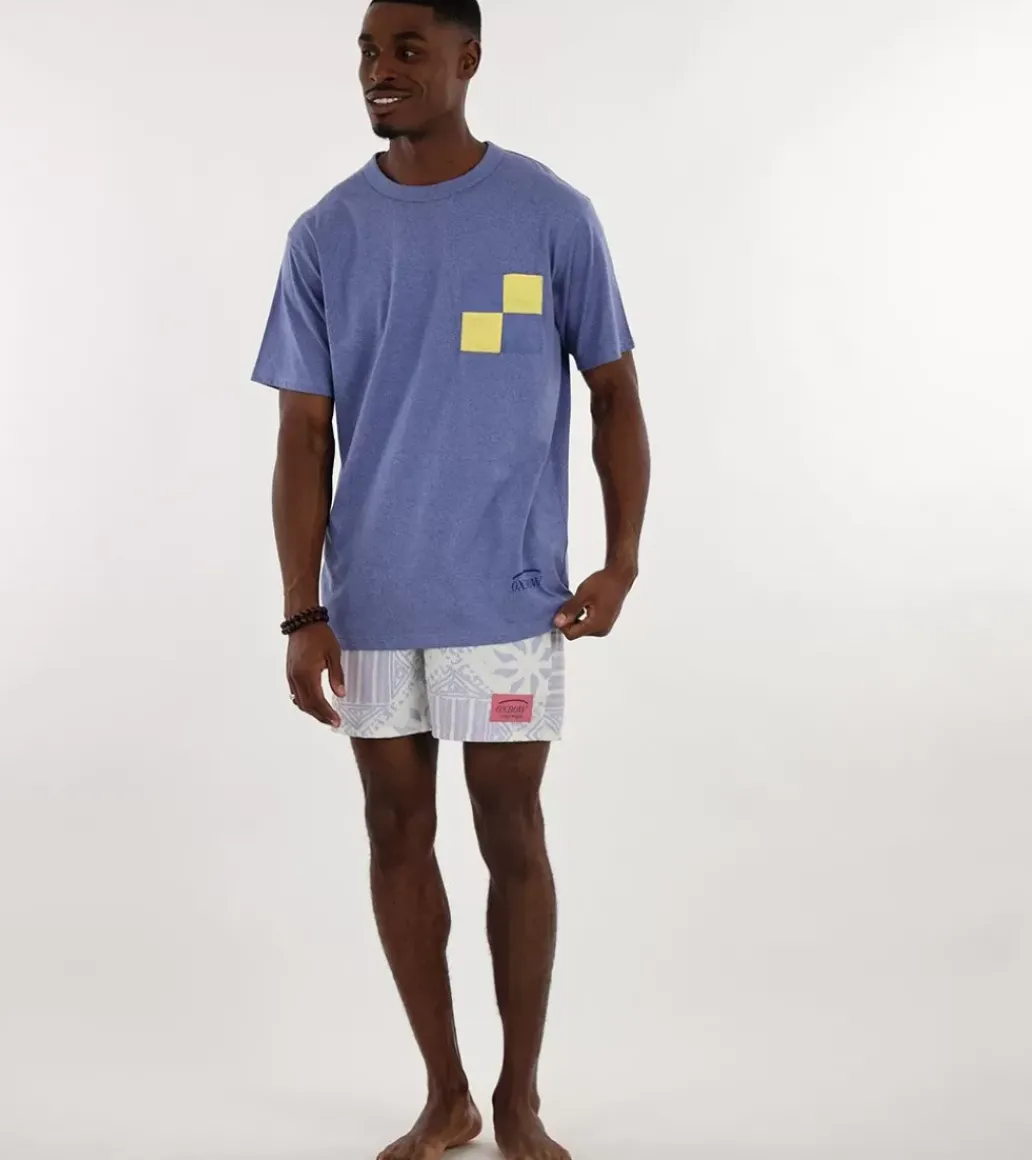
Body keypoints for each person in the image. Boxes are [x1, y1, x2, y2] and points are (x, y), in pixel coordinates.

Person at [253, 1, 649, 1157]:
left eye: (405, 49)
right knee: (393, 829)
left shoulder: (549, 215)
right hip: (373, 602)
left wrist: (621, 559)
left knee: (510, 829)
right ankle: (446, 1094)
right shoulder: (325, 233)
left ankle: (519, 1097)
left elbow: (614, 393)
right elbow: (300, 437)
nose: (378, 70)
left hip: (508, 598)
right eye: (367, 52)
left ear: (467, 58)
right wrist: (302, 608)